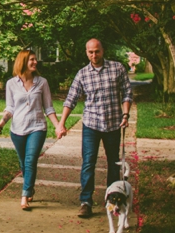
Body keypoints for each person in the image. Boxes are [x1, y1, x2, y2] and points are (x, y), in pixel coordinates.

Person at [55, 39, 132, 218]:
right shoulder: (82, 74)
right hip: (91, 124)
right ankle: (86, 202)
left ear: (103, 50)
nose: (94, 55)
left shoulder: (117, 68)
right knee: (88, 162)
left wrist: (126, 115)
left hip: (113, 124)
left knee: (114, 163)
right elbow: (71, 99)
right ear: (86, 52)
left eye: (97, 51)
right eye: (90, 52)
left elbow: (127, 92)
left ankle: (112, 200)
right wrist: (61, 123)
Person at [0, 50, 61, 210]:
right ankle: (30, 187)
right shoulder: (11, 84)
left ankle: (24, 195)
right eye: (31, 59)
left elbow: (49, 108)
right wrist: (1, 123)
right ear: (22, 62)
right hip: (17, 129)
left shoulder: (42, 82)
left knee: (30, 161)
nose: (35, 62)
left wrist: (58, 125)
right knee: (24, 163)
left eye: (35, 59)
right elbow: (10, 107)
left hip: (37, 127)